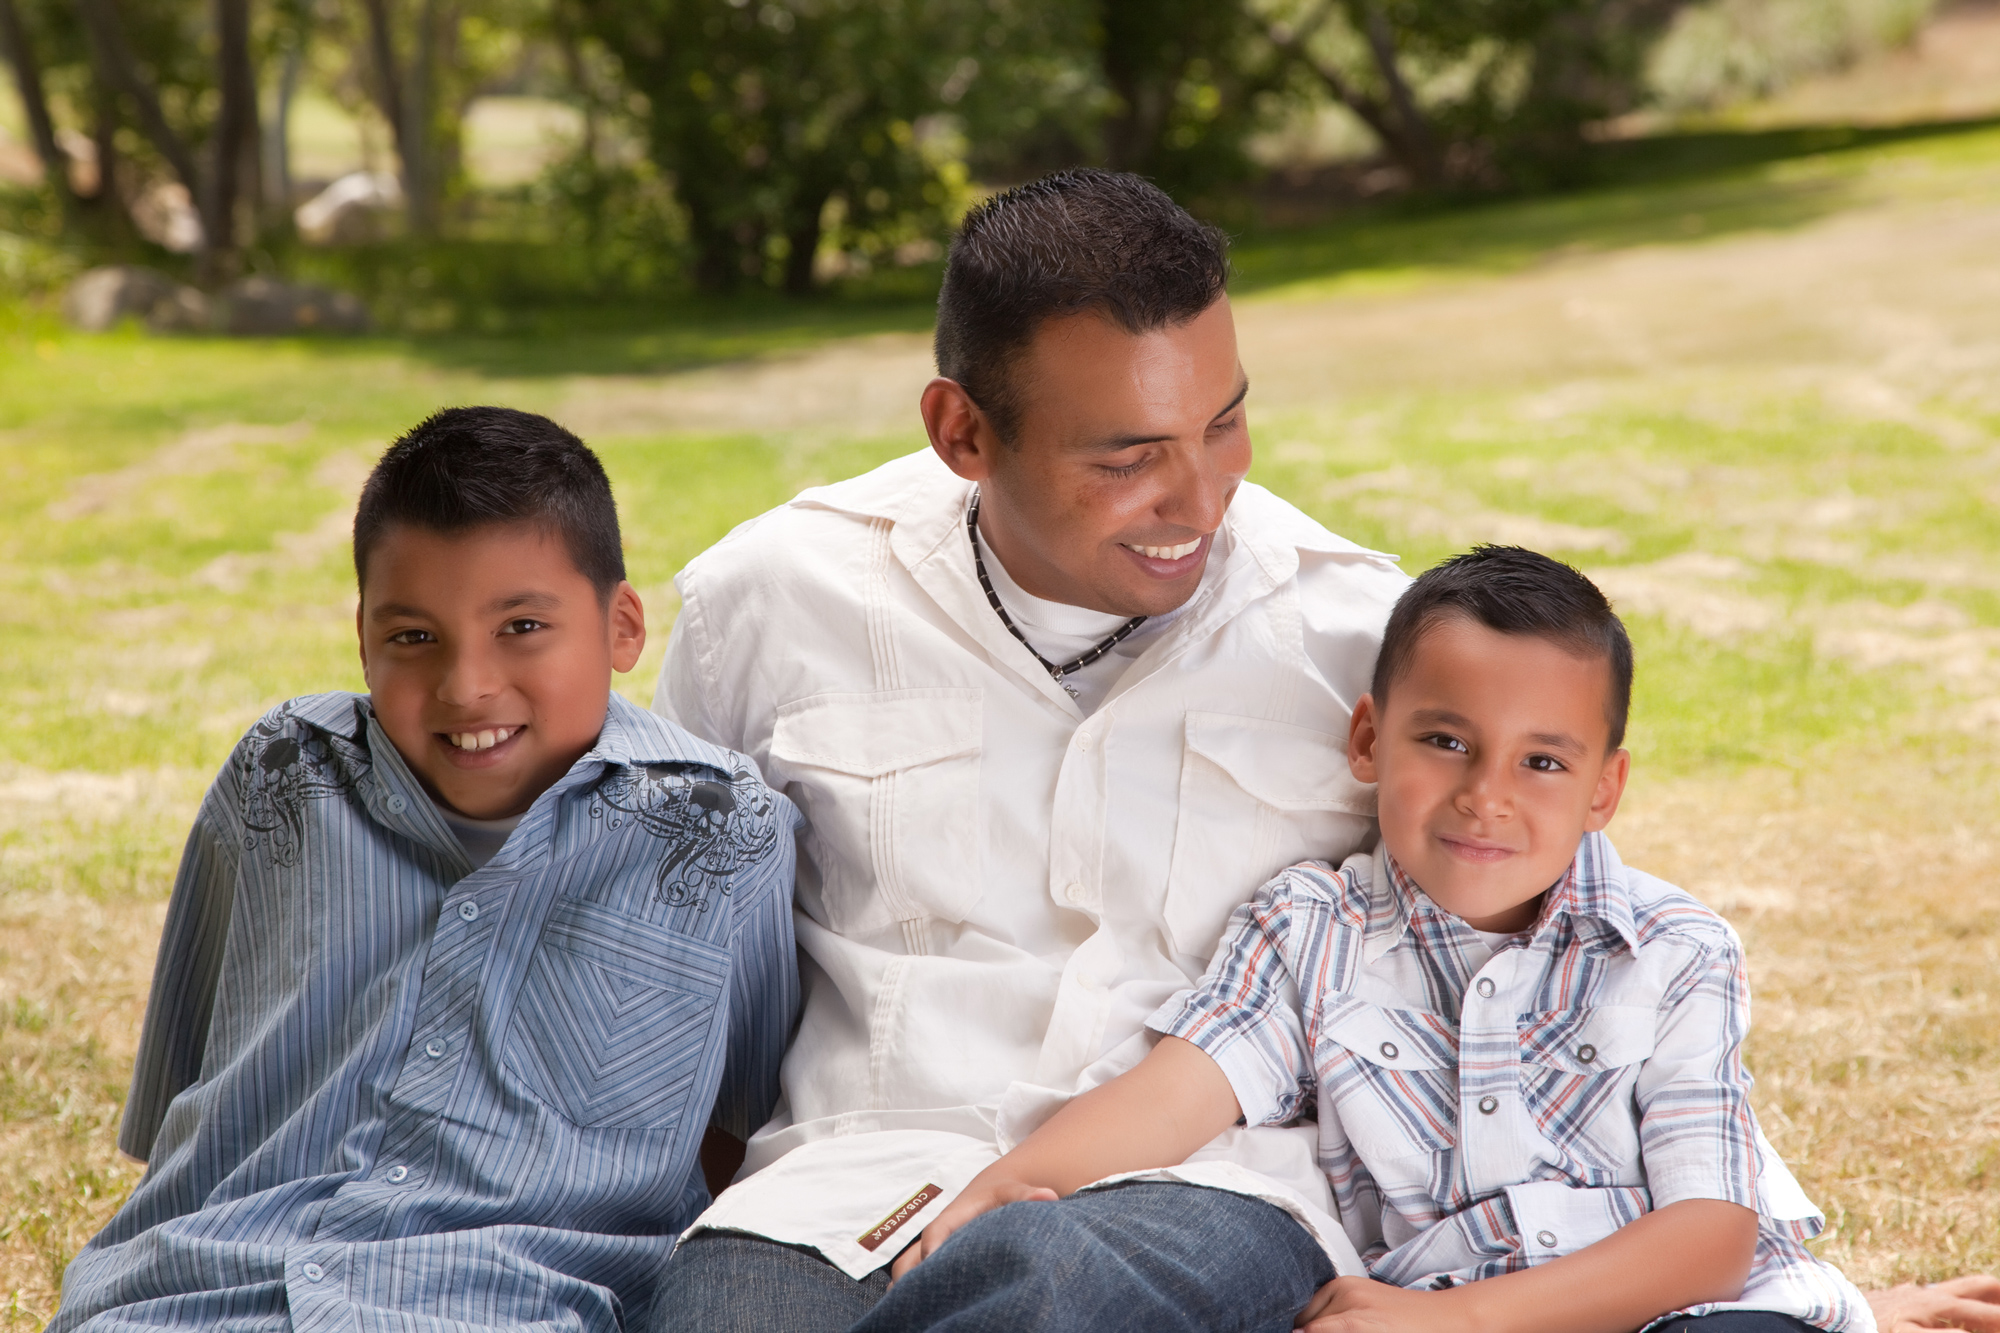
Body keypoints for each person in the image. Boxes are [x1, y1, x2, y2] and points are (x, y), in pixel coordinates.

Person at [648, 168, 1411, 1331]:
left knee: (1045, 1298)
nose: (1199, 500)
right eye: (1126, 458)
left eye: (1221, 424)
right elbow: (675, 970)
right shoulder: (767, 603)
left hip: (1199, 1187)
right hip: (843, 1188)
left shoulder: (1357, 636)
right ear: (962, 431)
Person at [895, 546, 1871, 1333]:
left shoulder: (1675, 948)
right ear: (1369, 739)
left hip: (1673, 1307)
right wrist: (1011, 1182)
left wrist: (1460, 1322)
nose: (1485, 795)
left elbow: (1709, 1239)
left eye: (1541, 761)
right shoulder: (1312, 928)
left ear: (1602, 790)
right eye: (1445, 741)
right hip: (1423, 1303)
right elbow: (1175, 1092)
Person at [52, 408, 800, 1333]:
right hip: (200, 1295)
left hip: (507, 1307)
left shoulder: (719, 830)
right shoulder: (284, 773)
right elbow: (190, 1086)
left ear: (622, 626)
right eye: (414, 637)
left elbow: (744, 1140)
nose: (465, 685)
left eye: (522, 625)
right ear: (363, 634)